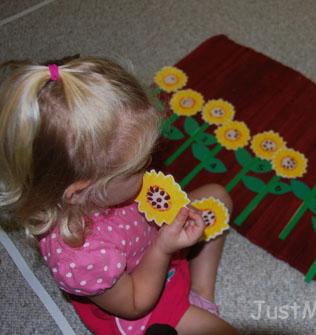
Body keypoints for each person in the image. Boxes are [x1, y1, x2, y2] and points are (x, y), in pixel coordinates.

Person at [0, 57, 238, 335]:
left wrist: (167, 235)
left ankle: (201, 293)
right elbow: (135, 303)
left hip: (159, 250)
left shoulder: (102, 191)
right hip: (144, 305)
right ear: (81, 192)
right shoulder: (80, 258)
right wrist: (163, 247)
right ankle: (188, 306)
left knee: (217, 198)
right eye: (138, 167)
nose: (150, 166)